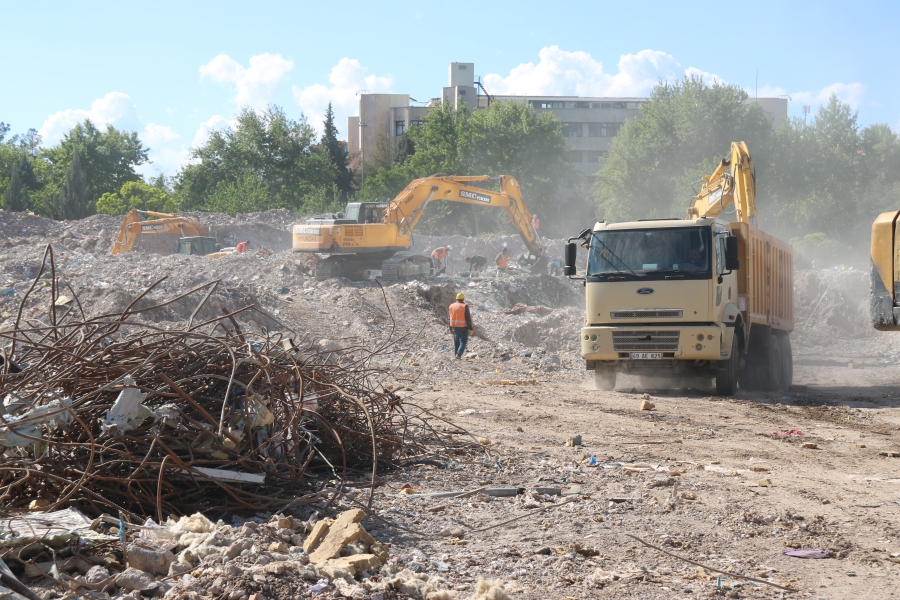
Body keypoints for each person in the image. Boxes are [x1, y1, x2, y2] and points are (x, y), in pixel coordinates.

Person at [448, 292, 474, 359]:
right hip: (463, 327)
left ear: (456, 299)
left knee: (456, 341)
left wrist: (450, 328)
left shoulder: (451, 306)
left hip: (454, 327)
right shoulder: (464, 306)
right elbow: (467, 318)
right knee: (463, 341)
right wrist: (471, 328)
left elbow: (450, 317)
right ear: (463, 299)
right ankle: (458, 354)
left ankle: (456, 354)